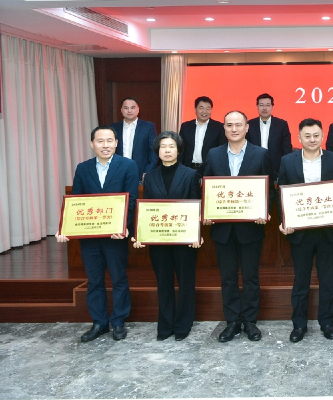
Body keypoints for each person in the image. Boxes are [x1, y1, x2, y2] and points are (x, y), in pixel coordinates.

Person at [57, 126, 139, 342]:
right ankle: (99, 322)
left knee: (119, 278)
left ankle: (118, 321)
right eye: (100, 141)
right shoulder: (83, 168)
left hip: (115, 236)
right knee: (94, 281)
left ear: (116, 143)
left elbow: (131, 200)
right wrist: (65, 229)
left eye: (109, 140)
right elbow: (76, 202)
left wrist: (124, 226)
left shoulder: (128, 165)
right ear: (92, 144)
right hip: (90, 237)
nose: (105, 145)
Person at [204, 111, 273, 342]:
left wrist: (265, 211)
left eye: (238, 125)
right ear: (224, 128)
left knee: (251, 277)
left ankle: (250, 321)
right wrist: (207, 211)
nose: (234, 129)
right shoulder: (213, 154)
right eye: (229, 125)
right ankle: (232, 321)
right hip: (223, 229)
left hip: (251, 227)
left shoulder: (260, 154)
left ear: (247, 128)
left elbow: (269, 189)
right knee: (228, 278)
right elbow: (207, 187)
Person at [278, 119, 333, 342]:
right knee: (301, 280)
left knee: (327, 279)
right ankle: (299, 325)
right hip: (300, 232)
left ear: (322, 136)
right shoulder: (288, 161)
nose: (312, 139)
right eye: (307, 136)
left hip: (328, 231)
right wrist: (284, 220)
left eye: (316, 135)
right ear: (299, 138)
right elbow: (281, 194)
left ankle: (327, 322)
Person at [132, 131, 202, 341]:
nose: (167, 150)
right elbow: (147, 209)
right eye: (163, 147)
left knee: (186, 282)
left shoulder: (191, 174)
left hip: (185, 239)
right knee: (163, 283)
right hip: (159, 239)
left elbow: (196, 206)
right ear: (158, 150)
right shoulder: (150, 177)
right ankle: (165, 325)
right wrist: (140, 234)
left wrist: (197, 234)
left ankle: (183, 325)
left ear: (179, 150)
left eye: (172, 146)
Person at [246, 93, 292, 181]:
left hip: (276, 167)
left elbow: (286, 148)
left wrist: (285, 167)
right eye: (261, 105)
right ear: (257, 107)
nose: (264, 108)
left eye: (267, 105)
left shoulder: (281, 124)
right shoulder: (249, 124)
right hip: (254, 165)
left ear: (272, 107)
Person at [110, 97, 158, 180]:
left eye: (132, 108)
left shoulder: (148, 127)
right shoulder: (113, 128)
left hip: (141, 173)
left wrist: (148, 171)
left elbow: (154, 151)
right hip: (118, 173)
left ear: (138, 109)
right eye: (126, 108)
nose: (129, 111)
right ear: (121, 110)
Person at [178, 96, 226, 176]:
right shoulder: (185, 126)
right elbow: (181, 149)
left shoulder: (219, 127)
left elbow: (222, 150)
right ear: (195, 109)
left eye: (208, 108)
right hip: (188, 168)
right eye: (201, 108)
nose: (204, 111)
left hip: (210, 169)